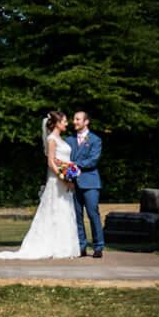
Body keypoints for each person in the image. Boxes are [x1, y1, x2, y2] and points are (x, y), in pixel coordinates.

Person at [0, 111, 81, 260]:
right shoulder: (52, 139)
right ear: (57, 123)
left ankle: (64, 247)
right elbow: (51, 161)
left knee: (65, 210)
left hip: (65, 179)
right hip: (56, 181)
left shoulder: (60, 139)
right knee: (55, 210)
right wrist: (63, 178)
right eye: (64, 121)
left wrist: (71, 170)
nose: (66, 123)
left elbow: (61, 160)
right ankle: (52, 247)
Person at [67, 109, 104, 257]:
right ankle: (81, 246)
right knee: (77, 216)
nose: (74, 122)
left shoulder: (95, 140)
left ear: (86, 122)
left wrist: (73, 164)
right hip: (73, 184)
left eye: (77, 119)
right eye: (74, 119)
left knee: (93, 215)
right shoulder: (69, 140)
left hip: (91, 183)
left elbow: (93, 160)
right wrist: (69, 177)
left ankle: (98, 246)